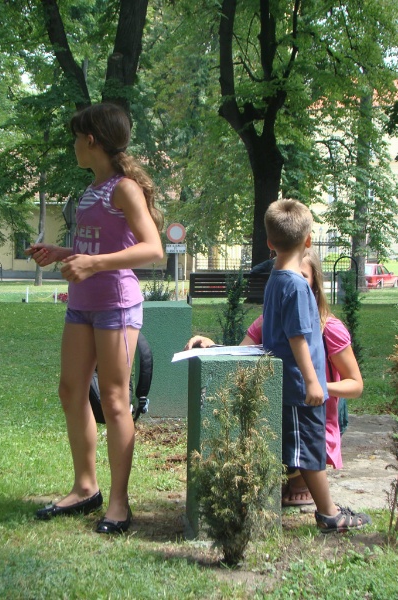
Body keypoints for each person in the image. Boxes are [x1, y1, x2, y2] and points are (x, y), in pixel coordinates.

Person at [26, 103, 163, 534]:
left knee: (115, 400)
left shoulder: (124, 189)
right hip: (81, 303)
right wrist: (63, 254)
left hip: (116, 305)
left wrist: (93, 264)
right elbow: (96, 247)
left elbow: (153, 249)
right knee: (71, 391)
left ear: (91, 140)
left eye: (76, 137)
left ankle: (119, 504)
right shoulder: (92, 188)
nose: (73, 145)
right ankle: (86, 487)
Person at [185, 247, 364, 506]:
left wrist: (316, 386)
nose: (293, 282)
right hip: (276, 413)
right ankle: (287, 476)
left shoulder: (330, 328)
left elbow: (356, 385)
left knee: (297, 439)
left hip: (313, 418)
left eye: (302, 276)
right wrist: (212, 346)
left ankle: (301, 480)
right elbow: (242, 355)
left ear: (315, 283)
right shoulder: (265, 322)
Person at [262, 199, 370, 533]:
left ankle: (325, 509)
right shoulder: (295, 284)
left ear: (269, 243)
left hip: (292, 384)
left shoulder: (276, 278)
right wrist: (312, 381)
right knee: (309, 450)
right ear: (308, 240)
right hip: (299, 387)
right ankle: (328, 514)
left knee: (306, 448)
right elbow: (297, 337)